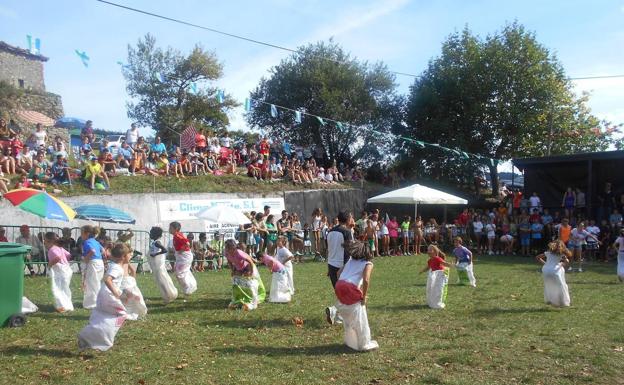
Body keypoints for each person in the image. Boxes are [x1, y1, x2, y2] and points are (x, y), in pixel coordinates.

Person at [78, 243, 130, 352]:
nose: (130, 256)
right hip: (108, 295)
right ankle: (100, 336)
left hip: (105, 294)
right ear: (123, 256)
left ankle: (92, 334)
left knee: (104, 314)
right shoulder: (117, 268)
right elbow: (107, 279)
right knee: (121, 314)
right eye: (129, 254)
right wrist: (116, 293)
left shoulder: (116, 266)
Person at [334, 239, 378, 351]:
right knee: (359, 314)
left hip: (339, 285)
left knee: (347, 313)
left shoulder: (350, 261)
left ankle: (351, 341)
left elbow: (338, 273)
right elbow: (366, 280)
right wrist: (363, 297)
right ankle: (364, 343)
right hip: (350, 287)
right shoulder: (368, 263)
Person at [325, 211, 353, 325]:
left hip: (331, 265)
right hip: (343, 265)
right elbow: (350, 249)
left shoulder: (330, 232)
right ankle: (334, 310)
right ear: (347, 220)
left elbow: (329, 249)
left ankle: (340, 316)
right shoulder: (347, 232)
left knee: (340, 293)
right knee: (348, 293)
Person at [224, 239, 266, 310]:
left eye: (228, 248)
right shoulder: (226, 252)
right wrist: (232, 270)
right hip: (239, 268)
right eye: (226, 248)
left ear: (233, 248)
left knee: (250, 283)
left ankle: (253, 300)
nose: (226, 249)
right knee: (236, 281)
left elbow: (250, 261)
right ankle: (238, 299)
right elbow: (229, 261)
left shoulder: (239, 253)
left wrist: (251, 272)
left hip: (248, 267)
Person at [43, 232, 74, 313]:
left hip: (60, 271)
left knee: (57, 288)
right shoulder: (60, 248)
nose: (44, 243)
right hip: (66, 269)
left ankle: (62, 306)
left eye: (45, 241)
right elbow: (69, 255)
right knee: (65, 288)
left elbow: (57, 257)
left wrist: (50, 264)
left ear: (50, 241)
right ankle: (68, 305)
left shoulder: (52, 249)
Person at [536, 240, 571, 307]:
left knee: (549, 285)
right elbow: (567, 261)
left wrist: (546, 264)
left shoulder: (547, 253)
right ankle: (562, 302)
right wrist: (561, 264)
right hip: (555, 271)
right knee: (560, 286)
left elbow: (537, 257)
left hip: (546, 270)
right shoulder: (562, 254)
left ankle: (550, 299)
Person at [148, 227, 178, 304]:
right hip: (156, 264)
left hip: (159, 265)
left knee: (162, 280)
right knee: (160, 280)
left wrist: (155, 254)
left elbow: (164, 250)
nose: (150, 234)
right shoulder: (154, 242)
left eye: (151, 233)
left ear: (155, 234)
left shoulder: (157, 242)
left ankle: (167, 296)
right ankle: (167, 295)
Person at [169, 222, 197, 297]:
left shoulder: (178, 235)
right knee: (181, 272)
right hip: (181, 257)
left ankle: (189, 288)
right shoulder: (176, 236)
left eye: (170, 228)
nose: (169, 229)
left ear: (175, 229)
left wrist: (180, 250)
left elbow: (187, 243)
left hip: (184, 257)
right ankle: (190, 286)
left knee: (179, 273)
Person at [81, 225, 104, 309]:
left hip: (93, 263)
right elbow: (103, 250)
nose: (81, 235)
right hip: (99, 262)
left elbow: (92, 251)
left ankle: (92, 303)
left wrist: (86, 259)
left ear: (87, 233)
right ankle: (99, 300)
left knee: (91, 283)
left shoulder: (87, 242)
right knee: (97, 282)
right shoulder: (95, 241)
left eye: (82, 233)